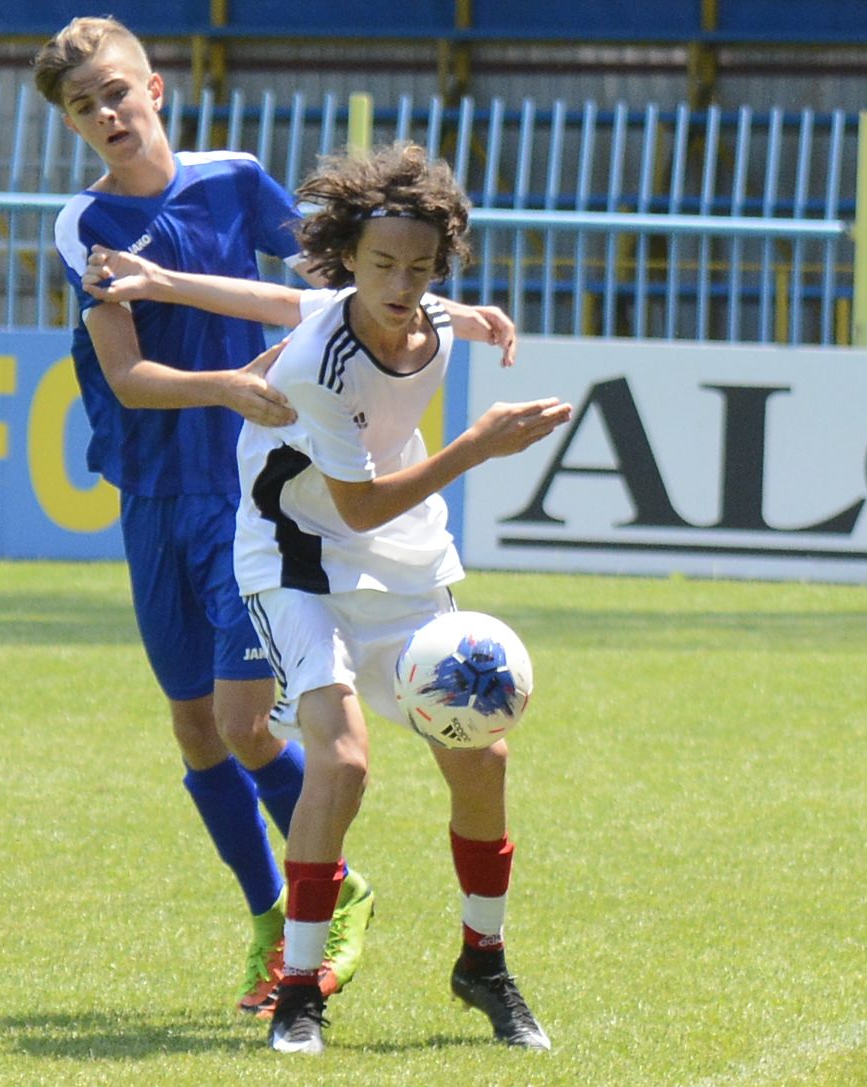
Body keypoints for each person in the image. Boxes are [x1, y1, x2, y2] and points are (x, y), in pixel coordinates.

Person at [30, 16, 519, 1019]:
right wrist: (223, 382)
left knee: (245, 722)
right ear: (72, 125)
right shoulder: (84, 225)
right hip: (155, 487)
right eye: (85, 107)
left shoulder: (232, 178)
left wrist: (441, 313)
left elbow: (339, 280)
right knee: (195, 728)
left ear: (154, 87)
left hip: (252, 495)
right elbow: (127, 379)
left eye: (117, 91)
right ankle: (279, 911)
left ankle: (319, 905)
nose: (107, 114)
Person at [101, 140, 568, 1054]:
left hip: (402, 558)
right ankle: (302, 990)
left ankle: (484, 961)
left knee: (484, 756)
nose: (402, 283)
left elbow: (284, 297)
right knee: (342, 762)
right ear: (349, 254)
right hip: (297, 558)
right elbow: (354, 501)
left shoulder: (423, 309)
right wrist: (477, 445)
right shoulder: (325, 363)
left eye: (421, 267)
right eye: (383, 263)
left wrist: (470, 318)